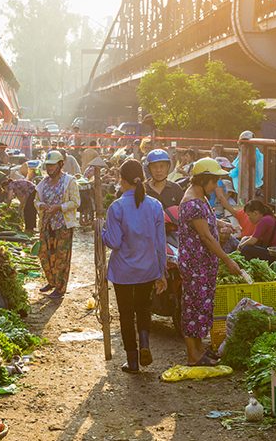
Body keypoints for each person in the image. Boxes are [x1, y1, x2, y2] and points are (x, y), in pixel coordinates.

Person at [102, 159, 167, 373]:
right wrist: (162, 272)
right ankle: (145, 344)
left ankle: (132, 361)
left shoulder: (117, 207)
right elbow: (160, 243)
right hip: (148, 268)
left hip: (123, 271)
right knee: (143, 309)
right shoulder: (155, 205)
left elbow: (114, 241)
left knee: (126, 314)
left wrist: (102, 232)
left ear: (122, 180)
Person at [178, 158, 242, 366]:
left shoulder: (199, 197)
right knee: (193, 307)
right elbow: (205, 237)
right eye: (213, 182)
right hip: (196, 264)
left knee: (200, 306)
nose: (215, 187)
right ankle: (193, 355)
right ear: (204, 180)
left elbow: (206, 223)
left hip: (202, 263)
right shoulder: (193, 203)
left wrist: (221, 223)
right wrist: (227, 260)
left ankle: (199, 350)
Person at [35, 150, 80, 300]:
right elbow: (36, 201)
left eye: (52, 166)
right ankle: (51, 281)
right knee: (45, 254)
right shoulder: (43, 183)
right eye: (48, 166)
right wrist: (41, 205)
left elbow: (75, 202)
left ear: (60, 165)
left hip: (63, 225)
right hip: (47, 223)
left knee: (61, 256)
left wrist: (59, 207)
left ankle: (60, 288)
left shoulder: (69, 181)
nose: (49, 169)